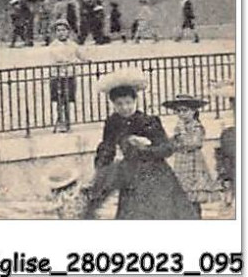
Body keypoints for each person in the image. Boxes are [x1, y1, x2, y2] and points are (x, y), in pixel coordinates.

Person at [81, 70, 198, 219]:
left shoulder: (149, 121)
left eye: (128, 103)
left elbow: (167, 149)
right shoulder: (113, 122)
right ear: (113, 104)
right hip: (130, 177)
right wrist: (100, 169)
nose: (125, 108)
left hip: (155, 175)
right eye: (119, 104)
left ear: (135, 101)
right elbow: (107, 147)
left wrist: (145, 148)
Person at [164, 96, 220, 215]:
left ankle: (195, 216)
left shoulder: (196, 126)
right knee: (183, 193)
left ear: (193, 111)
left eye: (185, 110)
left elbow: (195, 143)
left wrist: (181, 137)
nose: (181, 114)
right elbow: (174, 143)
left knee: (194, 193)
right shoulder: (179, 127)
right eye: (178, 111)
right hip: (181, 161)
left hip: (193, 161)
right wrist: (173, 141)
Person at [45, 19, 88, 132]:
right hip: (57, 75)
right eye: (58, 30)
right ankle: (60, 120)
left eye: (63, 30)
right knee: (59, 100)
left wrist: (85, 59)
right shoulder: (53, 45)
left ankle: (67, 121)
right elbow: (58, 58)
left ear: (68, 31)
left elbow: (80, 54)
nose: (61, 33)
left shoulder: (73, 45)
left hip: (69, 75)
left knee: (68, 99)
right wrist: (70, 61)